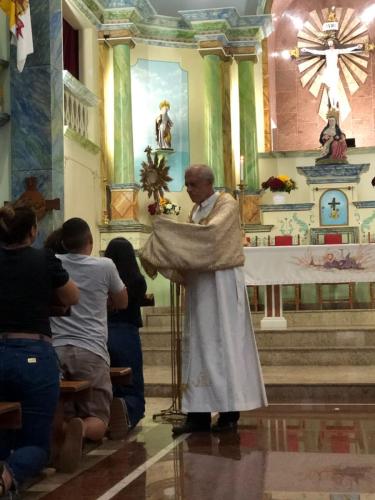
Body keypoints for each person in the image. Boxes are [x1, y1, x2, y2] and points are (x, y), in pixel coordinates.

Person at [140, 165, 267, 434]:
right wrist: (168, 247)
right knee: (197, 346)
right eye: (186, 184)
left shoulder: (226, 204)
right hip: (201, 286)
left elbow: (209, 238)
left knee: (224, 345)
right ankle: (197, 414)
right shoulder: (195, 211)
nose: (188, 189)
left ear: (209, 183)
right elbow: (190, 248)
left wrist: (168, 231)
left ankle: (229, 413)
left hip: (221, 283)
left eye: (192, 184)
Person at [0, 205, 79, 496]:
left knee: (2, 429)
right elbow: (72, 296)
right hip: (32, 353)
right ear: (33, 231)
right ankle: (8, 475)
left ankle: (6, 465)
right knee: (36, 442)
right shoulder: (43, 258)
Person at [50, 218, 128, 470]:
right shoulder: (105, 265)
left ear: (63, 241)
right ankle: (82, 429)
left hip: (56, 350)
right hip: (91, 351)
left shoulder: (53, 263)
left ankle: (62, 429)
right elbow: (123, 301)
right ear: (90, 243)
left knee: (63, 407)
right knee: (100, 419)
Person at [104, 238, 147, 434]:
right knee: (132, 382)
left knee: (107, 379)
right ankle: (127, 413)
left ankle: (106, 413)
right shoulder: (137, 280)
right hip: (127, 333)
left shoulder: (103, 276)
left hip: (103, 333)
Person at [301, 39, 362, 109]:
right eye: (328, 43)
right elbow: (316, 52)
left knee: (334, 88)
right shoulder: (326, 52)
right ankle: (333, 105)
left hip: (334, 71)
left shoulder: (337, 51)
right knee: (332, 88)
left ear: (333, 43)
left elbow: (346, 50)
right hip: (329, 71)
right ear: (328, 44)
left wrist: (356, 47)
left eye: (331, 42)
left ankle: (334, 104)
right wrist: (307, 50)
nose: (330, 44)